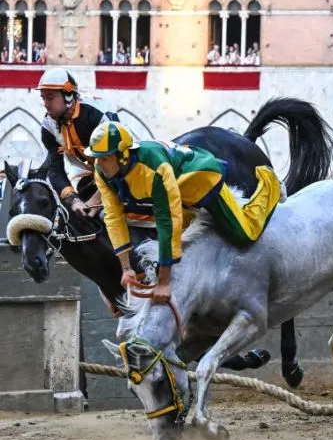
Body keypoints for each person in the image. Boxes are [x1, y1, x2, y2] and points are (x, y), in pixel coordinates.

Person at [87, 122, 283, 303]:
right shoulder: (101, 172)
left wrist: (163, 283)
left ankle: (270, 184)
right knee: (186, 249)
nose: (100, 164)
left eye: (105, 158)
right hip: (178, 196)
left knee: (245, 234)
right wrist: (126, 268)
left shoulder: (154, 168)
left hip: (200, 181)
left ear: (123, 156)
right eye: (97, 158)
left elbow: (167, 221)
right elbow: (113, 218)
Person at [37, 68, 119, 217]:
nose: (45, 104)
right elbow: (55, 168)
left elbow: (117, 164)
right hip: (88, 178)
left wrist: (94, 201)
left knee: (106, 216)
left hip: (121, 175)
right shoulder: (47, 126)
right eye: (43, 98)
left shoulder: (96, 115)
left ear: (68, 95)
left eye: (50, 98)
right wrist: (73, 200)